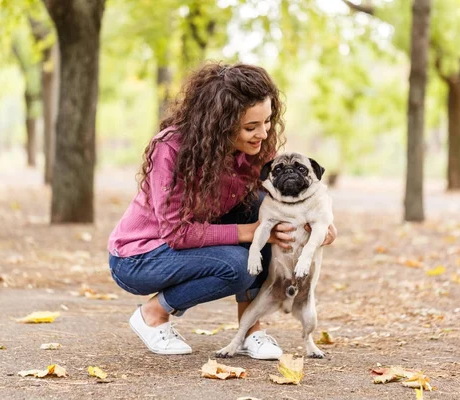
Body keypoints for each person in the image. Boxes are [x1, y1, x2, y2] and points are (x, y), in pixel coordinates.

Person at [107, 61, 336, 359]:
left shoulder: (254, 148)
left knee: (263, 208)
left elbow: (282, 201)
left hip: (192, 241)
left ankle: (250, 328)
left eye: (267, 122)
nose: (264, 134)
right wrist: (248, 233)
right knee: (238, 266)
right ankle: (152, 313)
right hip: (140, 257)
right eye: (251, 127)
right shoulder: (172, 149)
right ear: (220, 125)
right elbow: (177, 233)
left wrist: (319, 223)